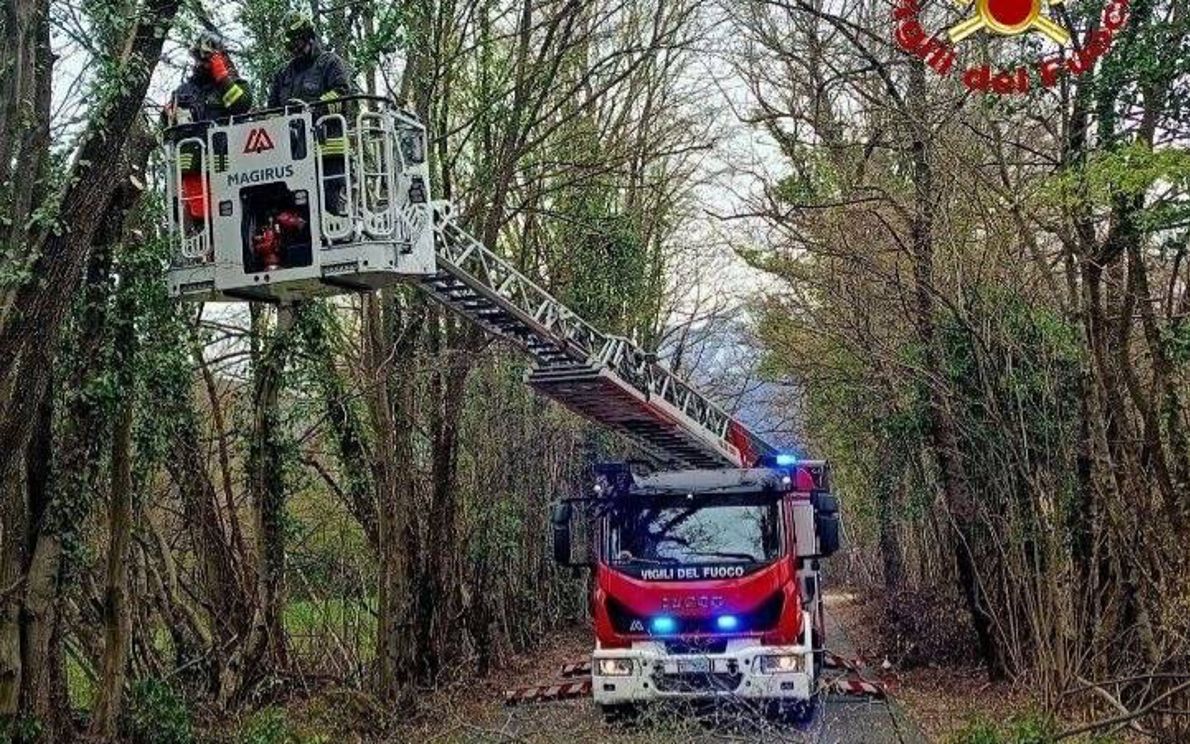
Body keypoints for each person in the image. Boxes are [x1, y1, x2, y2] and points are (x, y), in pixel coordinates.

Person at [163, 32, 253, 247]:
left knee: (228, 219)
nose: (203, 63)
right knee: (199, 221)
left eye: (209, 58)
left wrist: (221, 75)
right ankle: (204, 250)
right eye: (200, 58)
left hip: (226, 168)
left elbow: (242, 105)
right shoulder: (183, 92)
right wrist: (168, 115)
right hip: (192, 170)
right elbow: (167, 128)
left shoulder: (233, 85)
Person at [269, 13, 354, 220]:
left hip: (328, 152)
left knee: (332, 210)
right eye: (291, 44)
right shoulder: (283, 74)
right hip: (292, 157)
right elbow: (272, 110)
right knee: (293, 211)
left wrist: (315, 110)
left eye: (297, 41)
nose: (295, 49)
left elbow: (343, 95)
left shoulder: (330, 63)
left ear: (309, 37)